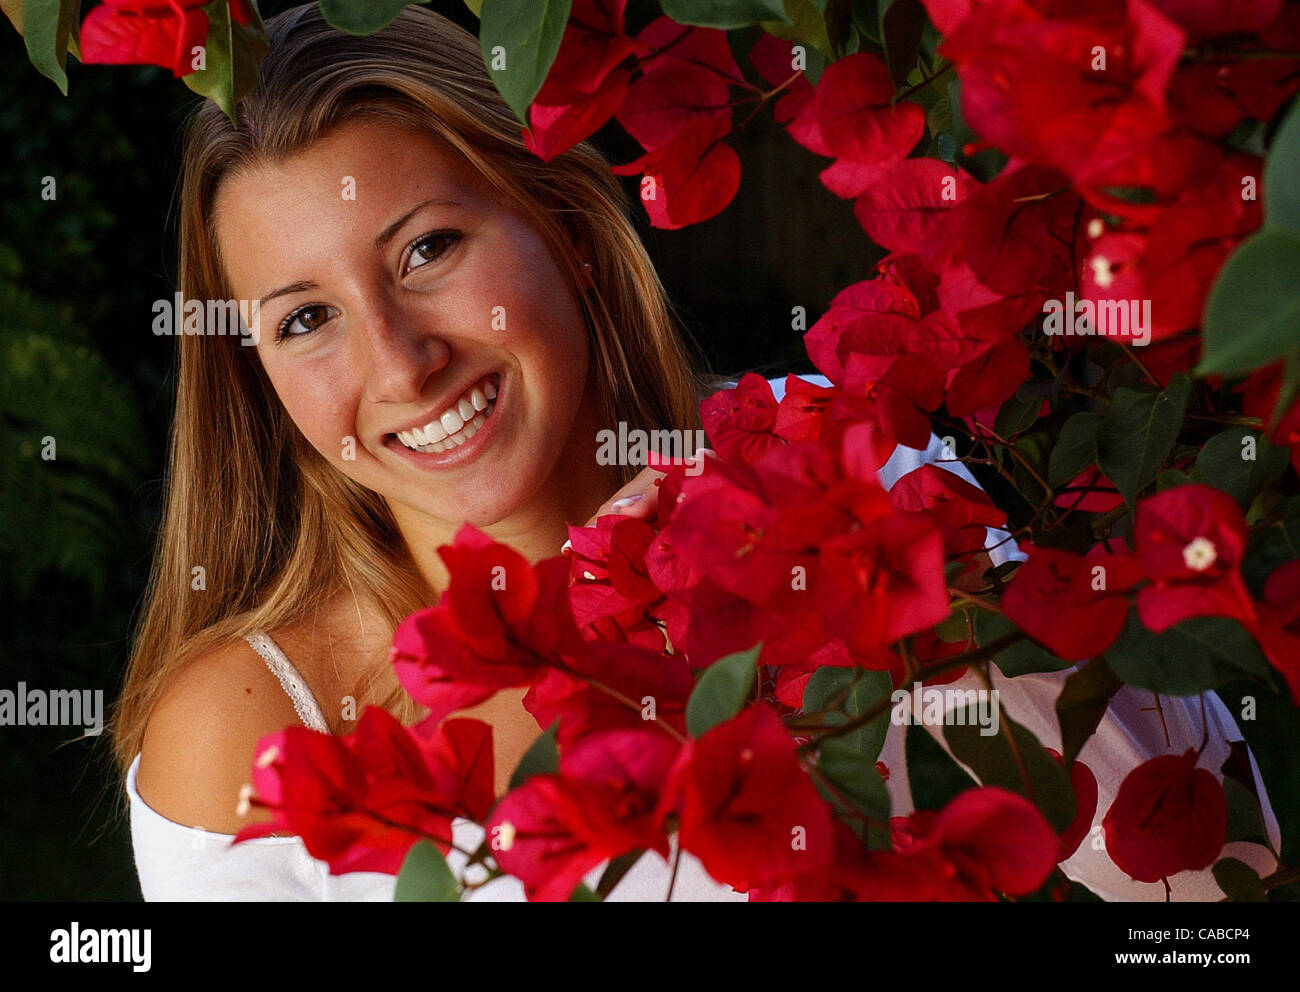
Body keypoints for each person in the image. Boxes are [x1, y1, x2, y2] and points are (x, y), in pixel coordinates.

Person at [111, 3, 1279, 902]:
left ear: (565, 231)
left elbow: (1195, 884)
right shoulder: (250, 729)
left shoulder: (828, 464)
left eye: (427, 251)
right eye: (304, 317)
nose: (402, 362)